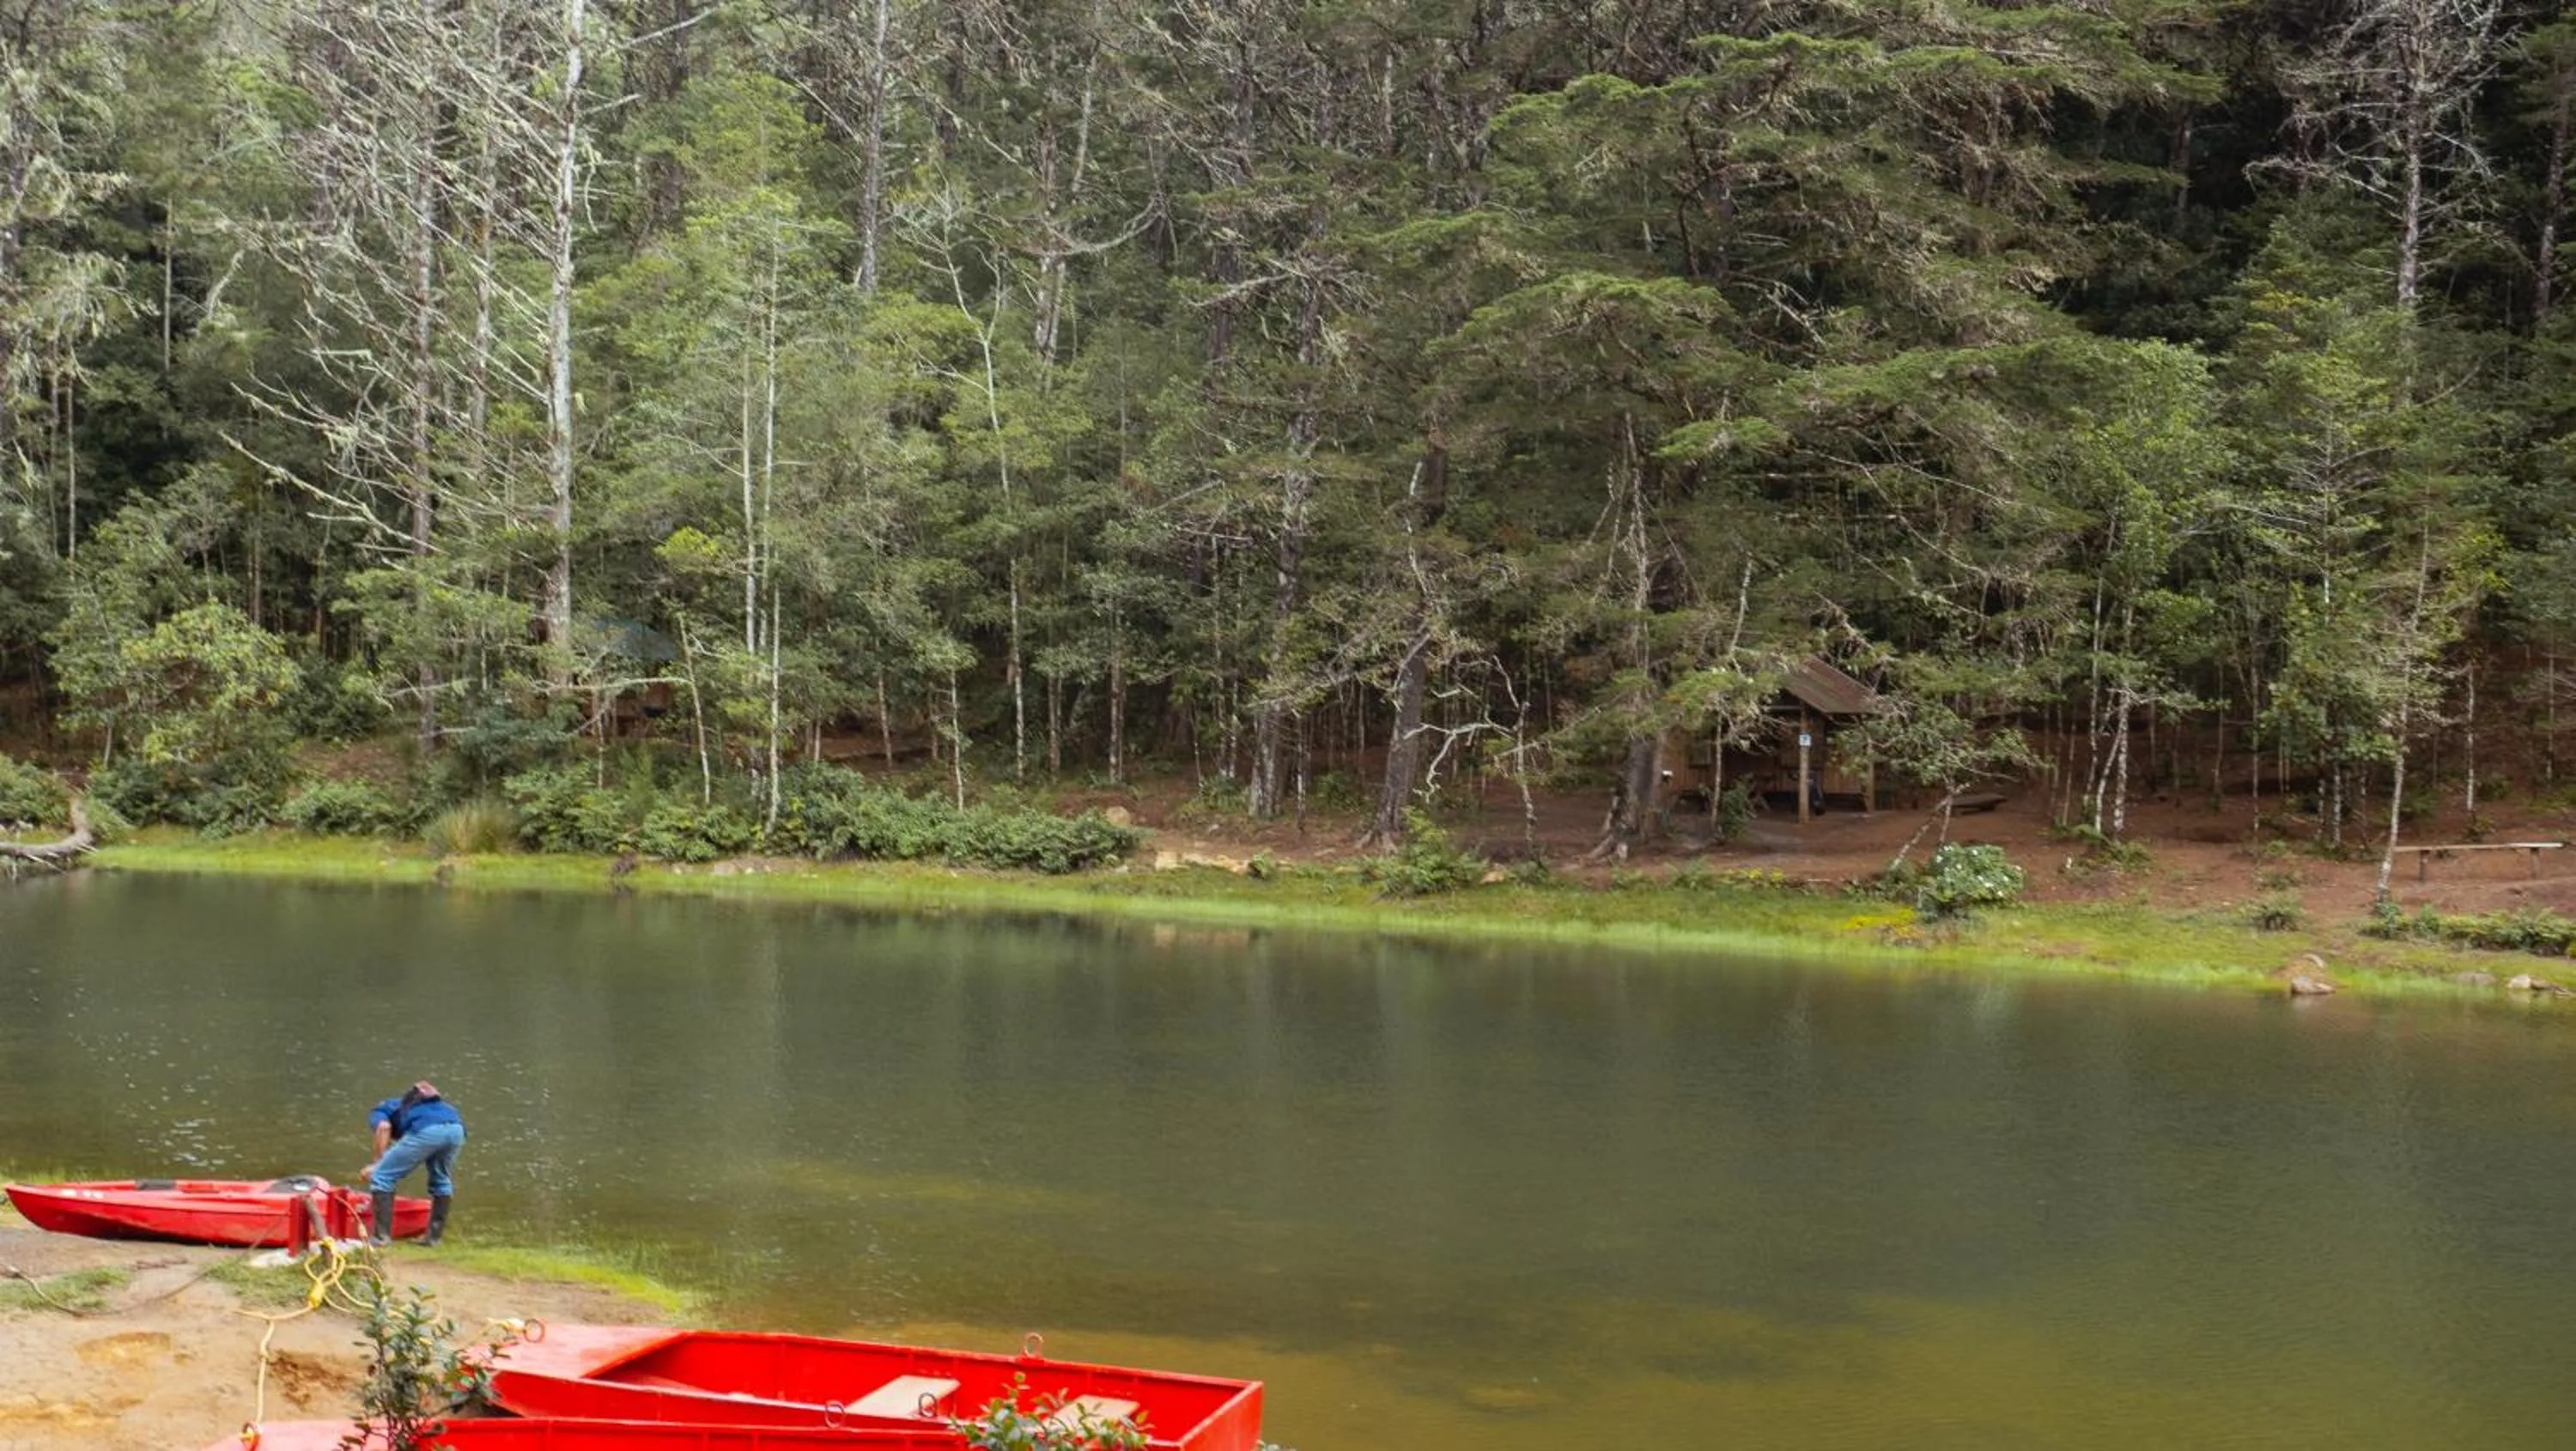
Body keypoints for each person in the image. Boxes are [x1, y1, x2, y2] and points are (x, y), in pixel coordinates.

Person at [361, 1079, 465, 1247]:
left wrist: (377, 1164)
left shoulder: (381, 1110)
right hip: (456, 1129)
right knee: (441, 1180)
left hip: (426, 1129)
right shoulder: (430, 1107)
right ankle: (433, 1238)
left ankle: (381, 1238)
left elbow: (384, 1128)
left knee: (381, 1177)